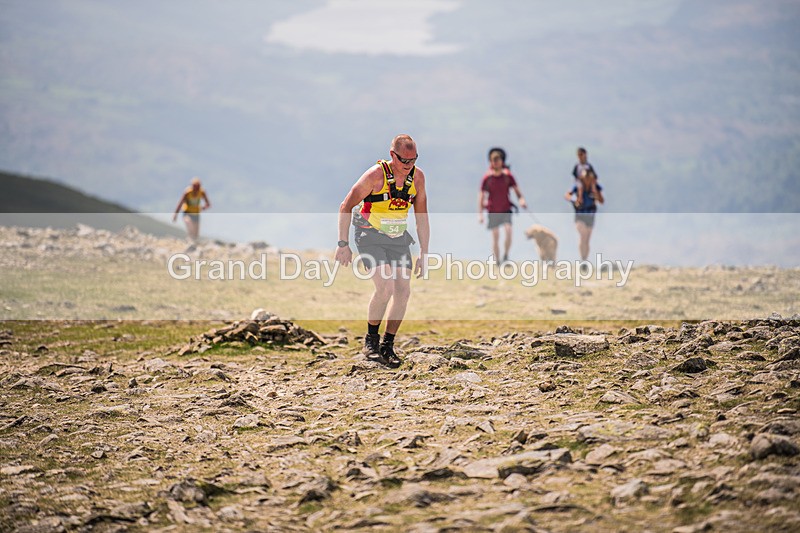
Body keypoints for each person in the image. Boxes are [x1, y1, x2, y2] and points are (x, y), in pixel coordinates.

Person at [335, 134, 430, 368]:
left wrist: (424, 253)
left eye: (413, 160)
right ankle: (371, 340)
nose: (408, 166)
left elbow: (422, 217)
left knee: (403, 290)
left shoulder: (417, 178)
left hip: (397, 238)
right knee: (385, 286)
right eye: (404, 161)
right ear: (392, 155)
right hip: (370, 234)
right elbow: (346, 206)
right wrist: (342, 244)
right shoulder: (375, 176)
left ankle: (388, 345)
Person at [478, 147, 527, 263]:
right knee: (495, 235)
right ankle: (497, 260)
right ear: (491, 162)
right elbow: (481, 196)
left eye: (497, 160)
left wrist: (522, 201)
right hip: (493, 210)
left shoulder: (507, 176)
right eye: (493, 160)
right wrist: (480, 214)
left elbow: (518, 192)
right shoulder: (487, 178)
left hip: (506, 209)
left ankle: (506, 255)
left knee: (509, 231)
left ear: (502, 161)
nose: (495, 162)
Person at [565, 167, 604, 262]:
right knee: (583, 236)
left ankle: (585, 259)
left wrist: (596, 193)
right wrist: (574, 200)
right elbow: (567, 195)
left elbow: (601, 201)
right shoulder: (578, 187)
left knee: (587, 240)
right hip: (580, 215)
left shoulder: (595, 187)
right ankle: (582, 259)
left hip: (590, 215)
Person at [172, 177, 211, 242]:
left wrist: (202, 208)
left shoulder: (202, 192)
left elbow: (208, 204)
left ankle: (193, 243)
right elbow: (180, 203)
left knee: (196, 234)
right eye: (195, 186)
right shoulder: (187, 192)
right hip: (187, 212)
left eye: (198, 187)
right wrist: (175, 214)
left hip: (196, 214)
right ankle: (189, 242)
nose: (196, 188)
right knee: (190, 227)